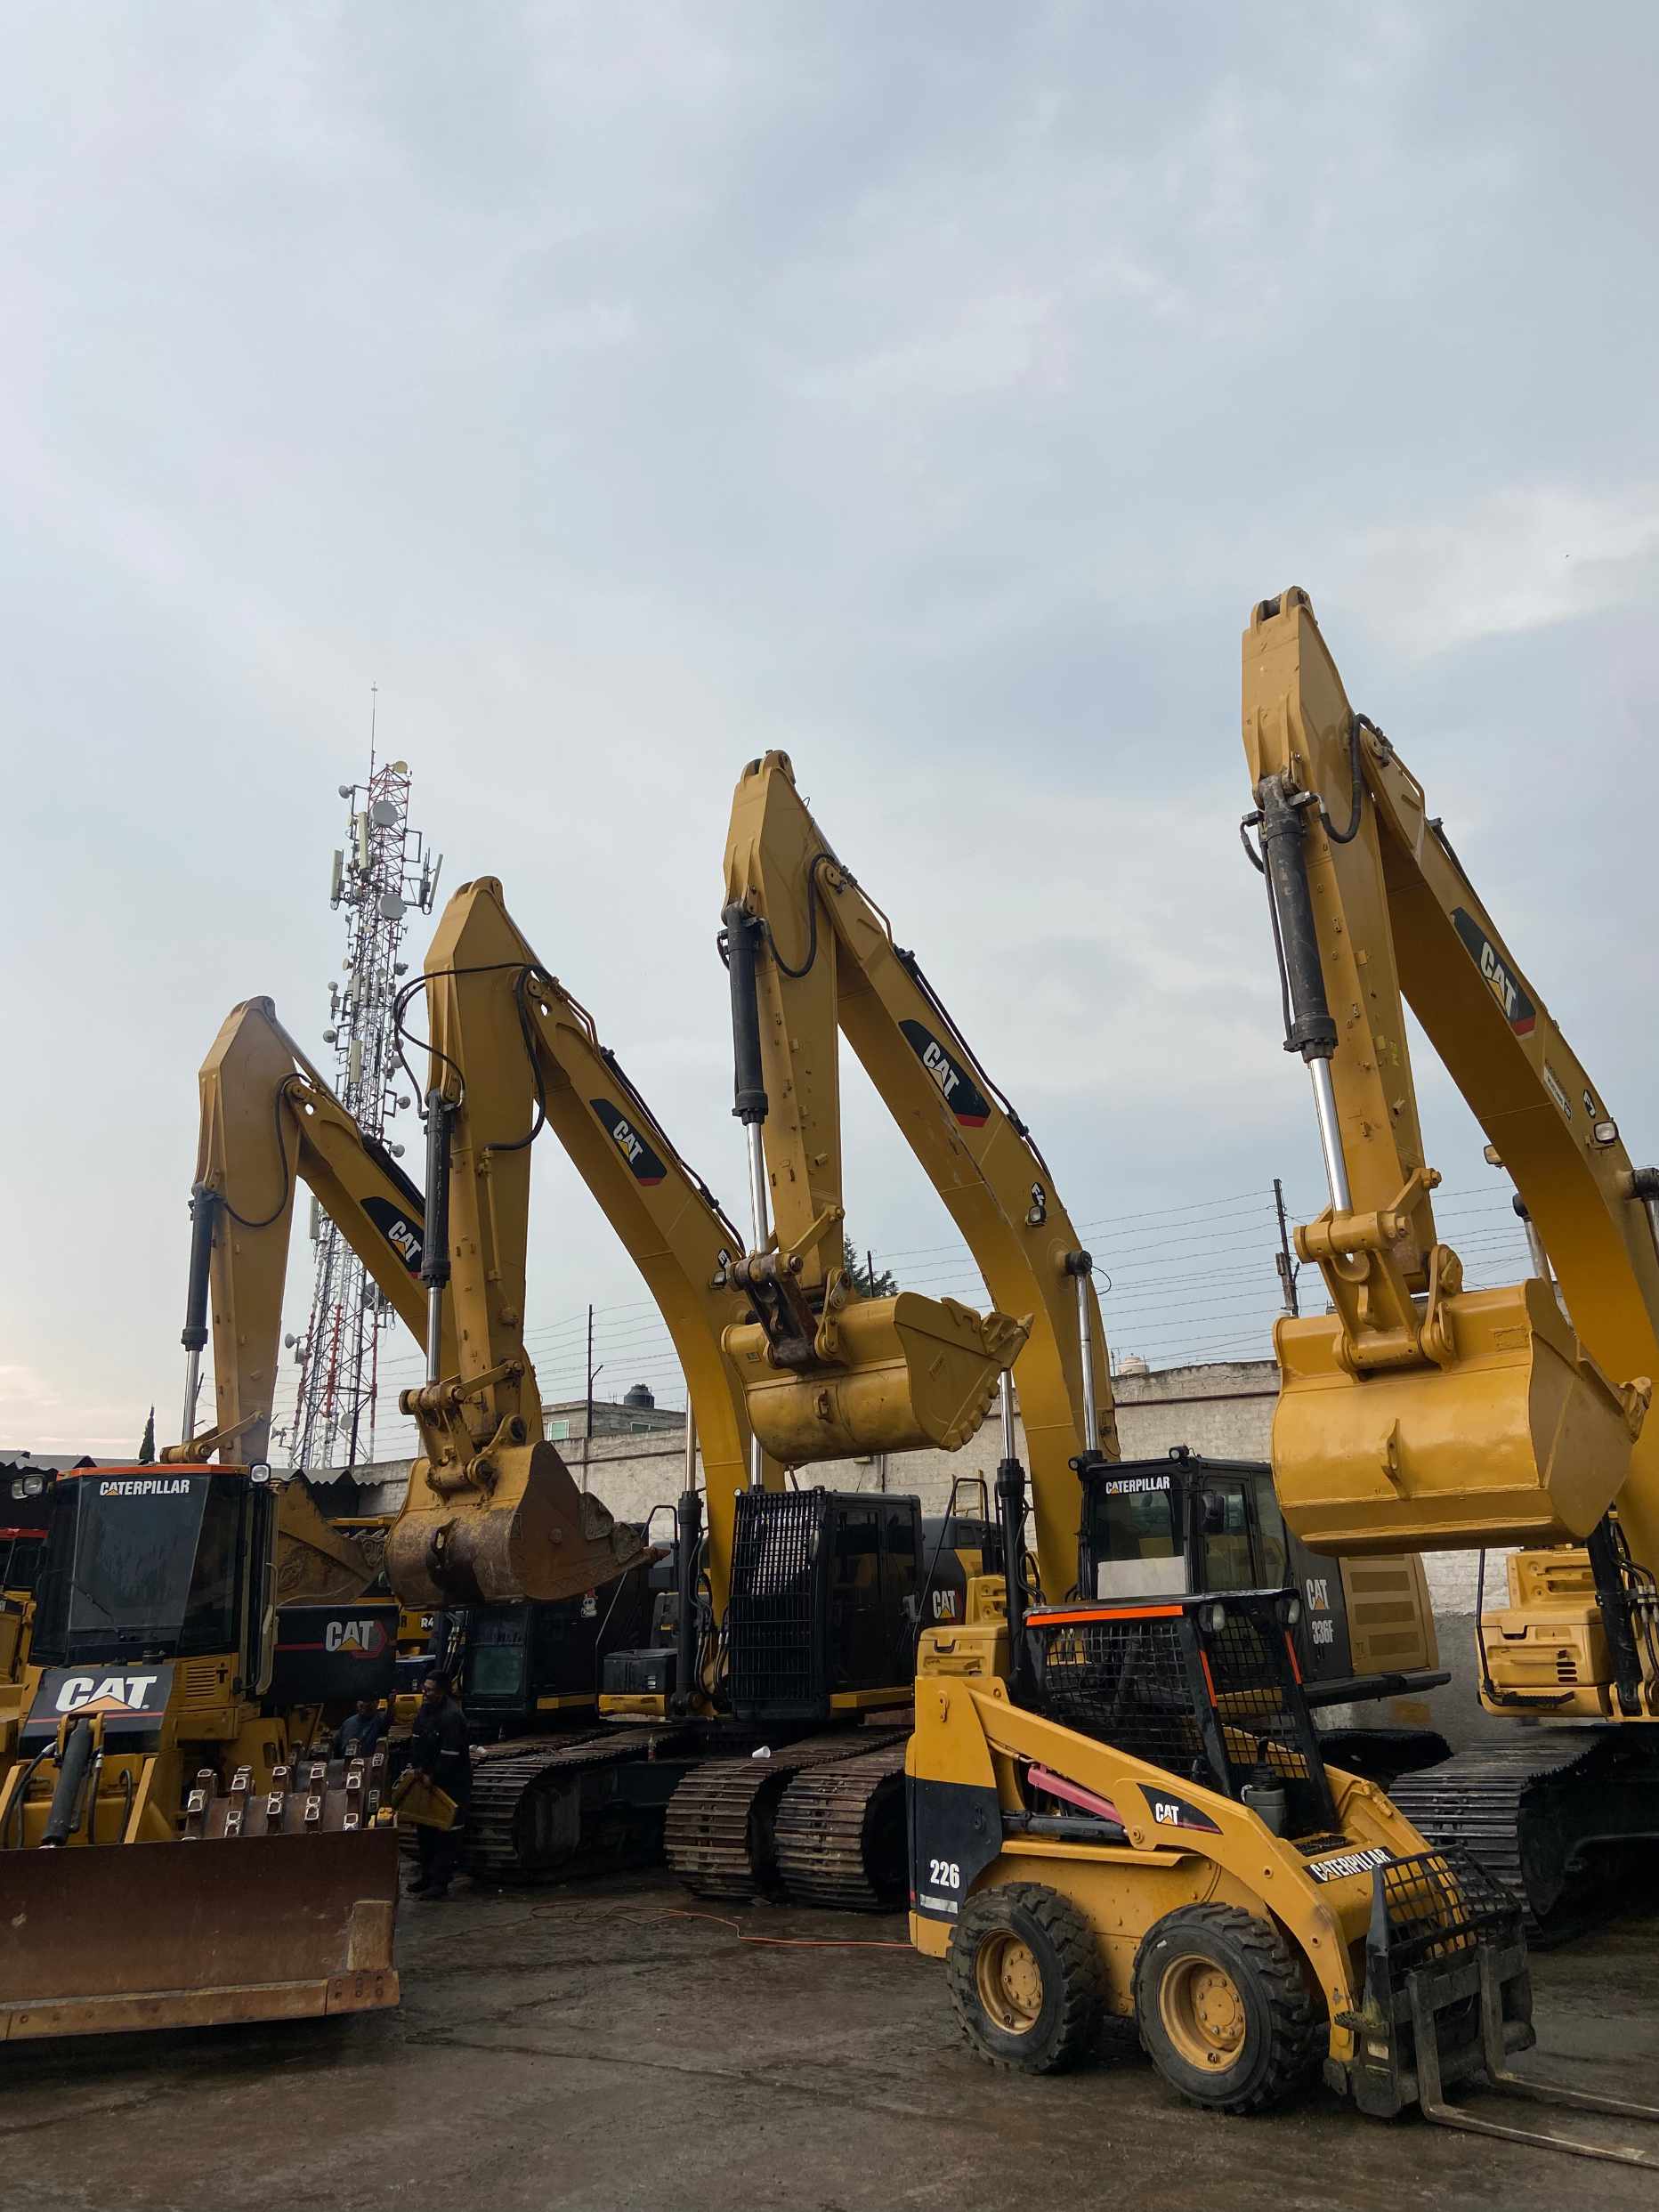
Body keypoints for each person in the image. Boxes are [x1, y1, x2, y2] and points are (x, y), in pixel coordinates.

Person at [406, 1673, 471, 1900]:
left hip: (450, 1784)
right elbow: (416, 1740)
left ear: (442, 1691)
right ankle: (427, 1876)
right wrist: (417, 1767)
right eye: (424, 1688)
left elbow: (450, 1753)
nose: (425, 1693)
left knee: (446, 1833)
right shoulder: (425, 1711)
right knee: (425, 1830)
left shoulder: (452, 1716)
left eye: (430, 1690)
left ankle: (440, 1883)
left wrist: (433, 1776)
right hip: (426, 1780)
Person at [331, 1696, 387, 1762]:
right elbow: (336, 1746)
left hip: (370, 1764)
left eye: (369, 1706)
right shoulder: (348, 1723)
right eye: (362, 1705)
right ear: (358, 1704)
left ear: (377, 1704)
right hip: (345, 1764)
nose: (365, 1706)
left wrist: (391, 1705)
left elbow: (389, 1719)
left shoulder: (382, 1719)